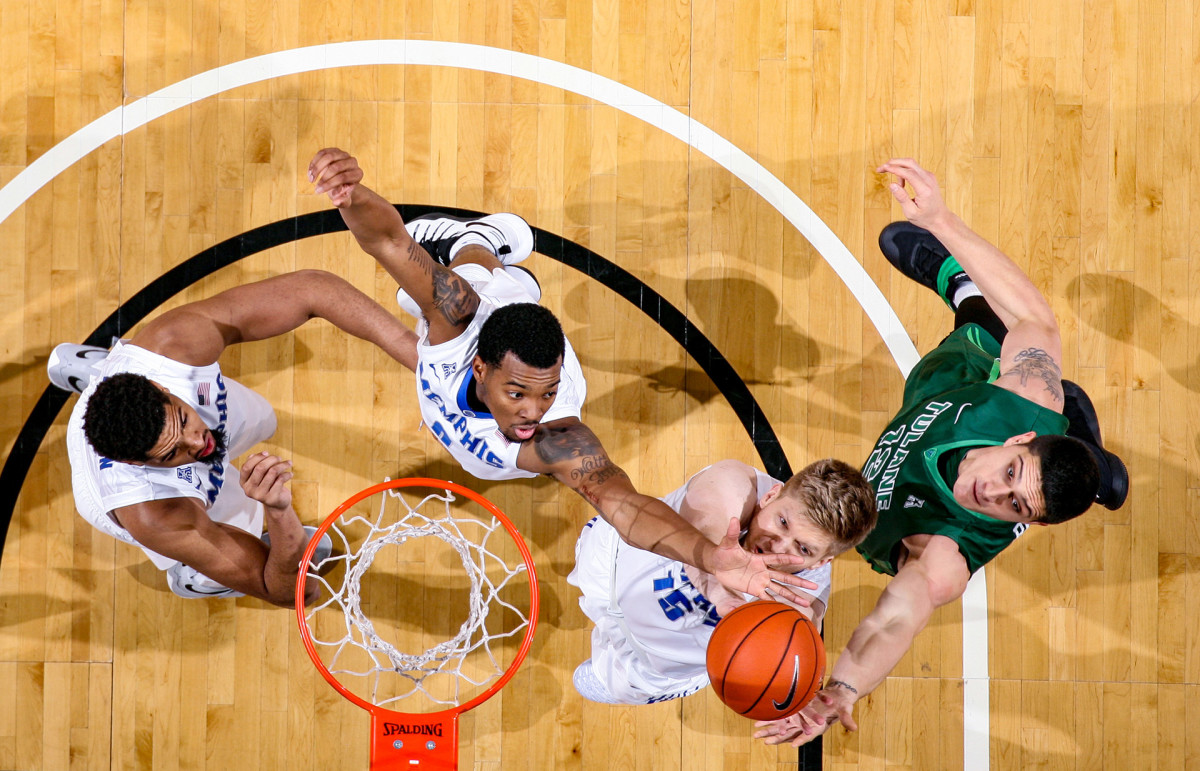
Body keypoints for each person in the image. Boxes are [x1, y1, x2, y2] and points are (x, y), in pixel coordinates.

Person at [308, 147, 817, 605]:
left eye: (545, 396)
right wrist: (351, 195)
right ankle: (482, 236)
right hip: (486, 315)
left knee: (473, 326)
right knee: (475, 272)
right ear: (482, 368)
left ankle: (512, 281)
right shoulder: (458, 314)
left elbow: (625, 506)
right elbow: (390, 241)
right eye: (521, 396)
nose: (535, 413)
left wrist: (708, 556)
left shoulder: (559, 437)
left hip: (499, 354)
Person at [754, 158, 1129, 746]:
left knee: (1085, 470)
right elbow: (1037, 317)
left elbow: (896, 617)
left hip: (931, 439)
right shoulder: (1027, 397)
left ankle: (1092, 462)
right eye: (1011, 473)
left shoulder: (945, 553)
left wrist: (845, 687)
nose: (993, 492)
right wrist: (941, 219)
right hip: (961, 388)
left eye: (1015, 506)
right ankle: (962, 286)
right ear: (1020, 440)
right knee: (988, 337)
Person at [50, 270, 419, 606]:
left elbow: (313, 289)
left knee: (264, 419)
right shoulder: (154, 514)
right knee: (243, 519)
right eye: (170, 453)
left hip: (141, 394)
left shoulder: (174, 346)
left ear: (161, 386)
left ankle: (99, 374)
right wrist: (278, 514)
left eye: (182, 420)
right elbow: (294, 593)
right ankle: (195, 573)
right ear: (137, 462)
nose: (197, 445)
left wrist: (423, 362)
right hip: (152, 495)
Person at [568, 458, 877, 706]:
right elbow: (705, 531)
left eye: (803, 548)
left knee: (585, 684)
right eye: (782, 522)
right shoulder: (732, 483)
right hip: (610, 565)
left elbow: (790, 658)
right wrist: (723, 595)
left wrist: (793, 698)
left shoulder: (803, 602)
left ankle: (611, 675)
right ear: (771, 495)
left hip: (653, 663)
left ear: (822, 562)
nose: (777, 546)